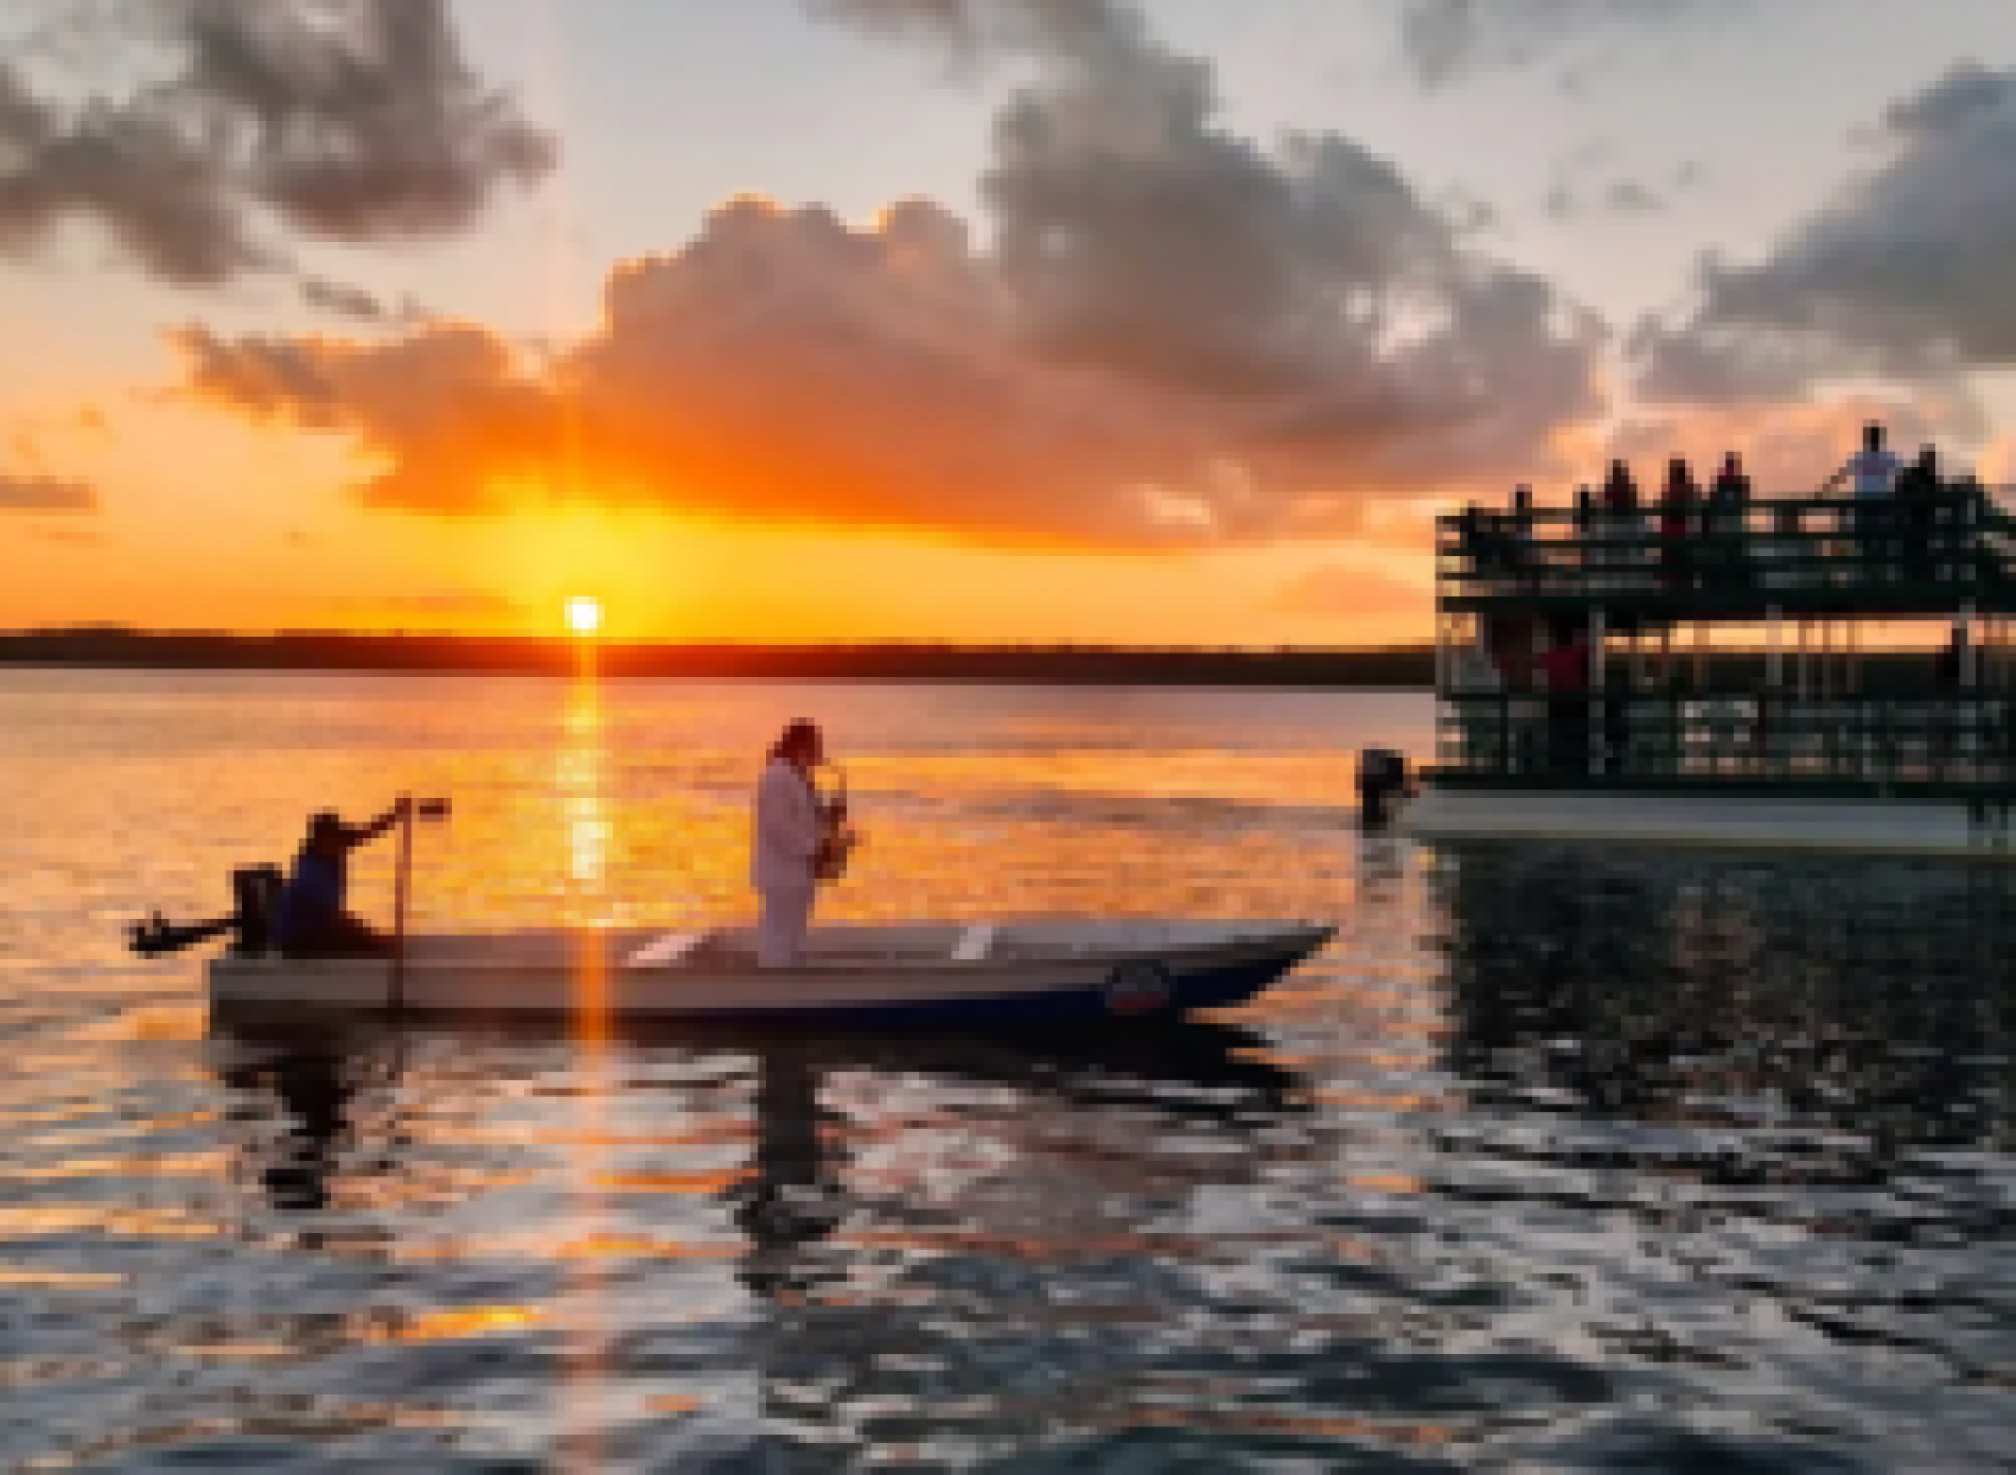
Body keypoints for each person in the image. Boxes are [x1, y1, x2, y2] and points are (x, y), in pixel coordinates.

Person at [752, 720, 851, 968]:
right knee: (779, 938)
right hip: (782, 872)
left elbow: (801, 821)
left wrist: (830, 816)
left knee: (792, 937)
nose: (821, 752)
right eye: (817, 745)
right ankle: (774, 989)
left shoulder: (797, 776)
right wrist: (815, 850)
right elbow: (778, 827)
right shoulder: (777, 777)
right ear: (800, 745)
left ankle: (785, 983)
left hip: (797, 871)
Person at [274, 801, 408, 958]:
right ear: (322, 841)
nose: (341, 844)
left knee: (371, 939)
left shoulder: (333, 848)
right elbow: (329, 918)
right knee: (370, 944)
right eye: (336, 839)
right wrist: (368, 936)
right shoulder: (310, 871)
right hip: (298, 938)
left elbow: (364, 834)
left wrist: (395, 815)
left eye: (340, 838)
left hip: (320, 926)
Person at [1821, 423, 1901, 580]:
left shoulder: (1865, 457)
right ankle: (1874, 573)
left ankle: (1868, 572)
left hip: (1868, 500)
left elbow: (1841, 475)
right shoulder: (1885, 457)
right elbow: (1902, 475)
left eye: (1871, 437)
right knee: (1873, 538)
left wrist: (1824, 490)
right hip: (1876, 500)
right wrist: (1825, 489)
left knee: (1867, 538)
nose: (1872, 440)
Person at [1707, 452, 1752, 588]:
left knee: (1731, 556)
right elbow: (1744, 501)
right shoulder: (1736, 482)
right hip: (1730, 527)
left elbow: (1714, 502)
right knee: (1730, 556)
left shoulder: (1732, 482)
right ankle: (1731, 584)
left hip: (1731, 527)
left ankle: (1729, 584)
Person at [1658, 458, 1699, 590]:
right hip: (1682, 537)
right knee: (1682, 574)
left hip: (1675, 537)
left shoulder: (1673, 491)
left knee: (1675, 575)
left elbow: (1665, 514)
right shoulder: (1687, 490)